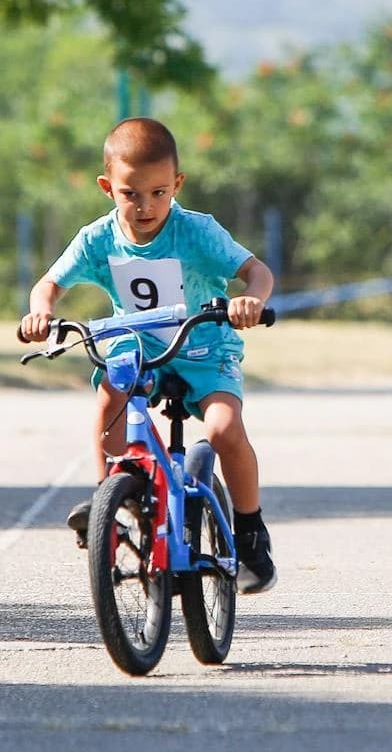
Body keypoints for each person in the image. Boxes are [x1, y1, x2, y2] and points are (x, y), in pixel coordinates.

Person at [18, 117, 278, 594]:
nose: (145, 206)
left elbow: (256, 271)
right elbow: (49, 284)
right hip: (136, 343)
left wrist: (252, 300)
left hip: (204, 344)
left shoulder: (197, 232)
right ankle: (108, 503)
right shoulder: (98, 238)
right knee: (111, 392)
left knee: (222, 429)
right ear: (107, 187)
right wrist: (40, 313)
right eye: (131, 194)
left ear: (177, 184)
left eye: (159, 192)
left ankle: (250, 531)